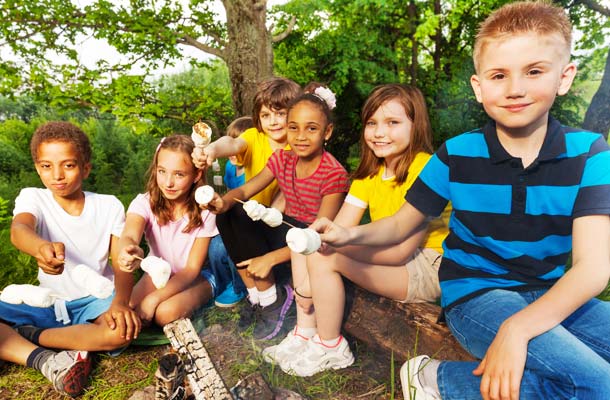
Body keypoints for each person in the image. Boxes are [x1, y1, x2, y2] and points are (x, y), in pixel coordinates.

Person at [312, 2, 610, 399]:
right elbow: (401, 224)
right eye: (499, 75)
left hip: (551, 291)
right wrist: (348, 236)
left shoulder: (590, 153)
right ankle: (433, 379)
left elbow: (592, 269)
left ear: (565, 76)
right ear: (478, 86)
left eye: (534, 71)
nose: (515, 88)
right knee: (598, 385)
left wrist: (518, 328)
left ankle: (448, 379)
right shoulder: (456, 155)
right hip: (475, 295)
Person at [264, 84, 451, 377]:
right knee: (314, 240)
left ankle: (331, 345)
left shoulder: (425, 169)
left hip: (427, 264)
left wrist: (335, 251)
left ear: (416, 126)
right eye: (372, 123)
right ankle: (305, 331)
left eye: (393, 123)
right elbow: (341, 226)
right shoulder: (371, 171)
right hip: (393, 255)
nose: (379, 132)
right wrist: (317, 243)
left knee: (326, 255)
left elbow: (401, 251)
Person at [0, 121, 139, 397]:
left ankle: (30, 335)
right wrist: (40, 247)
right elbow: (19, 230)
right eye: (46, 166)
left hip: (94, 300)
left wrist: (121, 302)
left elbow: (120, 259)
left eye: (68, 165)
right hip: (47, 300)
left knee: (119, 334)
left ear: (85, 168)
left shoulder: (108, 205)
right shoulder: (34, 198)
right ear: (37, 168)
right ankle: (45, 359)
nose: (57, 176)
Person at [204, 83, 350, 340]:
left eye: (311, 129)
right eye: (293, 128)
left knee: (259, 226)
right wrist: (222, 202)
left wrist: (270, 258)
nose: (300, 136)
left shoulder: (334, 175)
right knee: (232, 213)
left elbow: (319, 237)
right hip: (285, 229)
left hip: (311, 241)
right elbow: (246, 190)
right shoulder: (283, 158)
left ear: (327, 132)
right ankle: (259, 297)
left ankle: (275, 300)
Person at [116, 135, 219, 327]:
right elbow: (130, 234)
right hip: (159, 274)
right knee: (126, 309)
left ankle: (209, 298)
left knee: (164, 313)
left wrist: (153, 299)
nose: (168, 182)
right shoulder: (144, 202)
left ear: (196, 175)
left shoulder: (206, 210)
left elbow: (191, 269)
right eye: (162, 171)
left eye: (179, 174)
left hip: (196, 278)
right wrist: (128, 248)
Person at [211, 116, 255, 308]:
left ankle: (241, 287)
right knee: (214, 247)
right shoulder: (230, 167)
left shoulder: (253, 170)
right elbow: (230, 191)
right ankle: (224, 281)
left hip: (249, 219)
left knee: (231, 249)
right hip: (233, 214)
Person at [223, 116, 254, 190]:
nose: (233, 151)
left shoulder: (254, 174)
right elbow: (229, 190)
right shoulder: (229, 166)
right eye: (230, 144)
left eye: (240, 148)